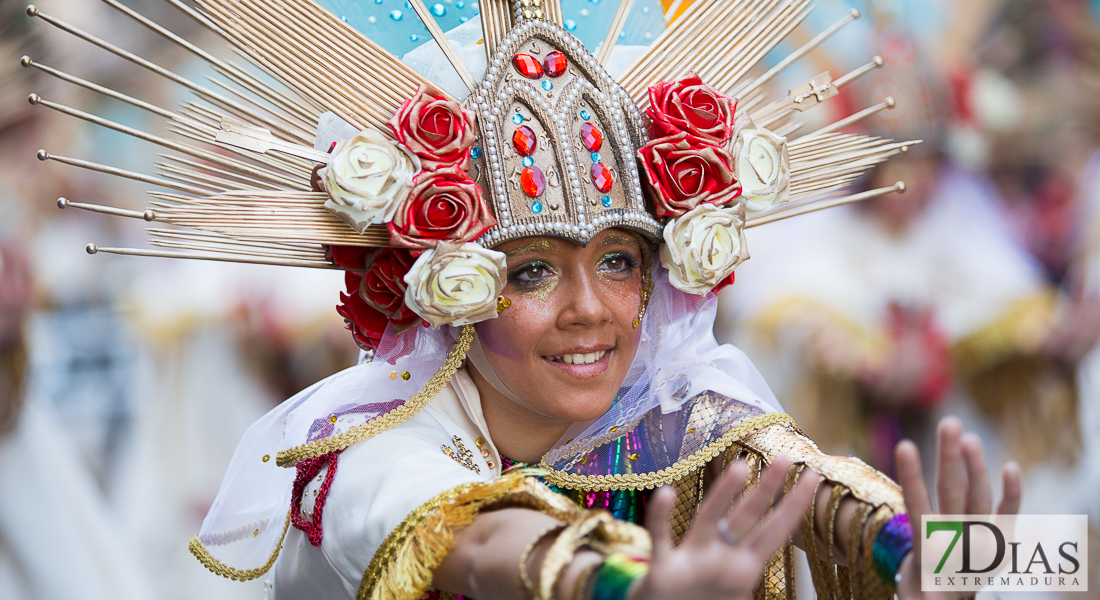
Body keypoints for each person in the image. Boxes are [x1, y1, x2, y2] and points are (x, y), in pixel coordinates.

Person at [20, 0, 1022, 598]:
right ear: (438, 294)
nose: (591, 309)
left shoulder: (680, 404)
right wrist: (619, 580)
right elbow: (472, 535)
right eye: (530, 270)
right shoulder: (364, 448)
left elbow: (811, 491)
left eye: (621, 262)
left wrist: (939, 555)